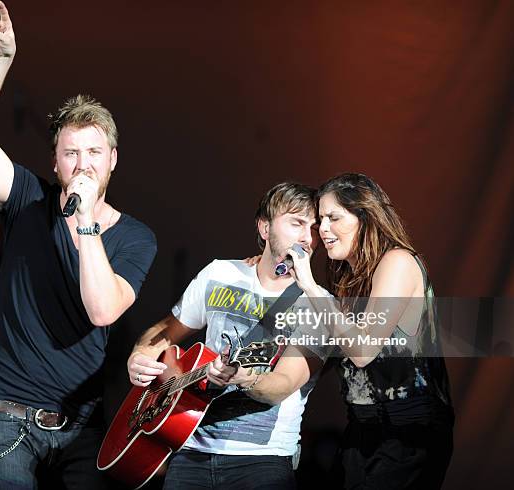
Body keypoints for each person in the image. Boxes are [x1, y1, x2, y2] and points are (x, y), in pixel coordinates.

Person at [0, 2, 157, 489]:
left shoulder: (135, 236)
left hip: (82, 427)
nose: (82, 164)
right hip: (6, 414)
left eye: (93, 153)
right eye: (71, 153)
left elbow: (103, 310)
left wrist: (84, 223)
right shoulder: (27, 199)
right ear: (56, 162)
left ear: (112, 161)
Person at [128, 182, 330, 490]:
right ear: (265, 228)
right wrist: (140, 354)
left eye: (314, 228)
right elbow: (166, 329)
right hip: (189, 450)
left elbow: (284, 384)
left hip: (262, 462)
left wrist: (242, 376)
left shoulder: (318, 304)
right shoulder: (219, 274)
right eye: (297, 223)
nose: (308, 238)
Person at [270, 173, 454, 489]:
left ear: (364, 217)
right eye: (319, 221)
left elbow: (363, 350)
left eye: (333, 218)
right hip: (362, 428)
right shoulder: (351, 281)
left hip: (406, 433)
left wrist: (311, 288)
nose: (322, 229)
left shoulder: (397, 261)